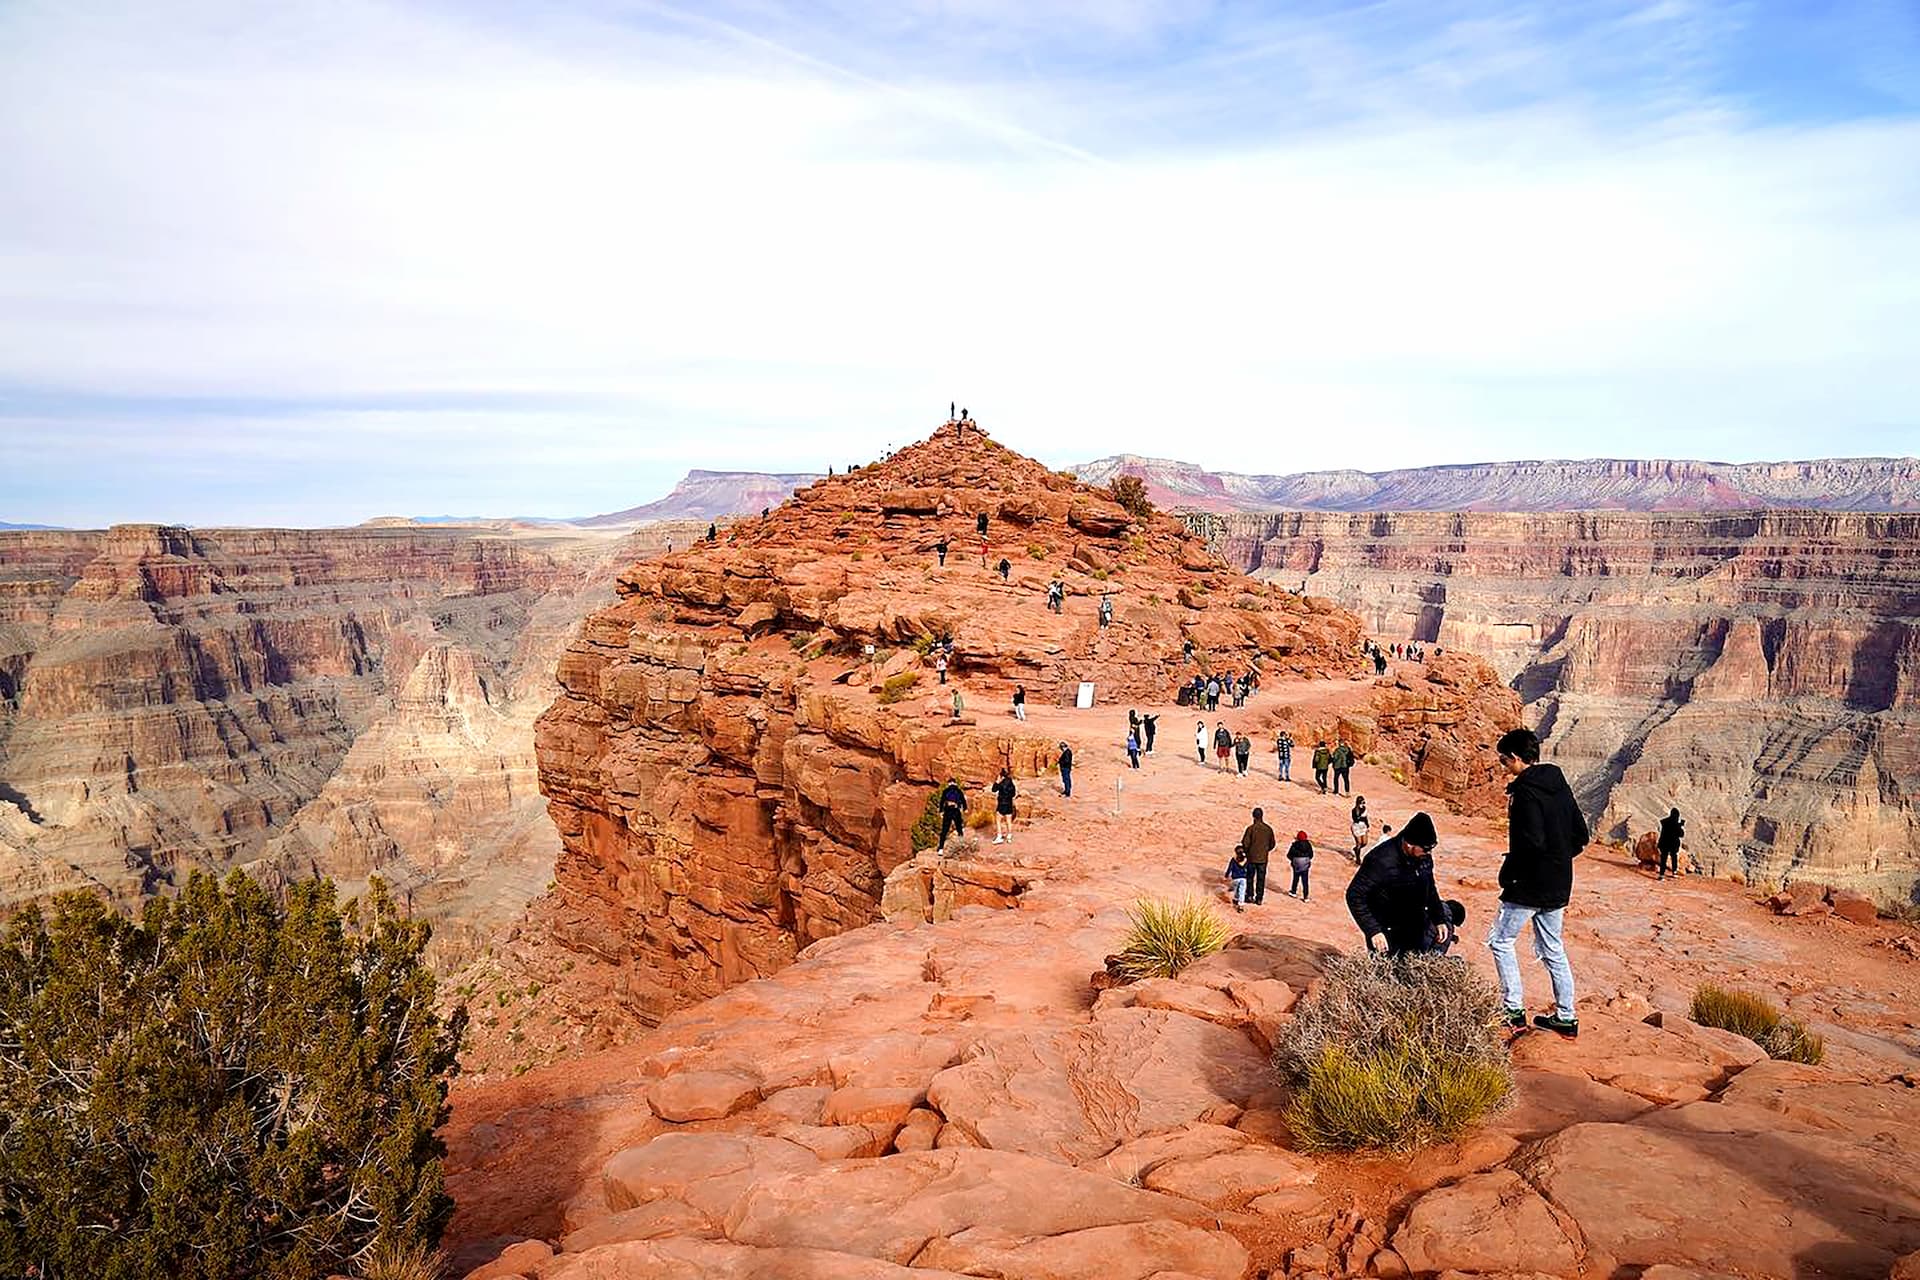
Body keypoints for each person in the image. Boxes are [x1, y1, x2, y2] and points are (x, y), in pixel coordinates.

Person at [1489, 727, 1589, 1038]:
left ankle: (1513, 1011)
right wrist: (1557, 860)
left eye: (1505, 761)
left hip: (1528, 884)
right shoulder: (1559, 785)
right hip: (1558, 883)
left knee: (1501, 941)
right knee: (1553, 948)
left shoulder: (1525, 793)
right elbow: (1580, 836)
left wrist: (1510, 875)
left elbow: (1529, 843)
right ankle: (1565, 1016)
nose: (1504, 766)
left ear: (1517, 758)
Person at [1346, 811, 1449, 955]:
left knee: (1411, 972)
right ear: (1409, 844)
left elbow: (1430, 888)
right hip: (1387, 933)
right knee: (1385, 975)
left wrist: (1439, 919)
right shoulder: (1380, 860)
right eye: (1426, 848)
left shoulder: (1424, 858)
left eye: (1431, 848)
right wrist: (1373, 930)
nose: (1429, 853)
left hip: (1415, 929)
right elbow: (1355, 895)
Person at [1237, 806, 1276, 906]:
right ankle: (1259, 898)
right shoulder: (1268, 829)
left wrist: (1247, 852)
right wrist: (1265, 851)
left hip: (1252, 858)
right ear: (1262, 816)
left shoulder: (1251, 829)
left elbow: (1245, 843)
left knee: (1250, 877)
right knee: (1261, 879)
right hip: (1263, 859)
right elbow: (1272, 844)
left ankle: (1250, 895)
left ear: (1253, 816)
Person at [938, 779, 967, 849]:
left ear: (949, 783)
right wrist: (965, 808)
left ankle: (941, 848)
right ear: (955, 783)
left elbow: (942, 801)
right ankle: (961, 843)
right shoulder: (959, 791)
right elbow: (963, 800)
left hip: (948, 811)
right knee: (959, 828)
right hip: (956, 810)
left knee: (944, 830)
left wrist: (941, 811)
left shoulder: (946, 791)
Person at [1286, 830, 1314, 900]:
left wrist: (1293, 860)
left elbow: (1289, 855)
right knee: (1305, 881)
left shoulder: (1295, 844)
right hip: (1305, 864)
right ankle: (1306, 896)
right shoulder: (1308, 845)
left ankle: (1293, 891)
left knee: (1295, 878)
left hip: (1296, 864)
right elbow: (1311, 855)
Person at [991, 767, 1017, 845]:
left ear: (1002, 776)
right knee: (1008, 820)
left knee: (998, 819)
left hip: (1002, 803)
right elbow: (1013, 794)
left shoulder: (1001, 783)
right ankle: (1009, 836)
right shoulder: (1011, 783)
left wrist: (997, 782)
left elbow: (993, 789)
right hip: (1009, 803)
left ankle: (999, 836)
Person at [1657, 808, 1684, 881]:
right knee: (1674, 857)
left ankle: (1661, 874)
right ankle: (1674, 872)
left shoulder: (1664, 822)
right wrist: (1680, 826)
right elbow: (1681, 834)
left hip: (1664, 843)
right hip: (1673, 844)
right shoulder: (1675, 824)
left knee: (1663, 859)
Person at [1350, 797, 1370, 861]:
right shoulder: (1354, 810)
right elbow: (1356, 820)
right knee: (1359, 843)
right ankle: (1358, 859)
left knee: (1364, 843)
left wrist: (1367, 825)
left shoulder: (1364, 808)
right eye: (1362, 802)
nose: (1363, 804)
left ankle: (1356, 849)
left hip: (1363, 826)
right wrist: (1361, 816)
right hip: (1357, 827)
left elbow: (1365, 818)